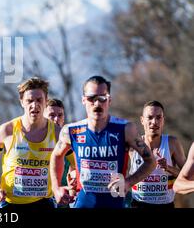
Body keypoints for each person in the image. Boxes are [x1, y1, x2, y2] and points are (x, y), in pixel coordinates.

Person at [50, 75, 156, 208]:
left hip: (113, 203)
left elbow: (151, 162)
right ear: (83, 100)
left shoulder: (125, 129)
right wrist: (56, 187)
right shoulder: (71, 131)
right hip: (84, 202)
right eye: (91, 98)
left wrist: (129, 182)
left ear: (109, 100)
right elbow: (56, 155)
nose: (97, 103)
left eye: (102, 98)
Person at [0, 77, 59, 209]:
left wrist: (70, 182)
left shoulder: (57, 132)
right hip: (10, 203)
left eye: (39, 100)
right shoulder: (7, 130)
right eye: (29, 101)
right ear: (22, 102)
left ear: (46, 101)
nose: (34, 105)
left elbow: (75, 162)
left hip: (43, 202)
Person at [129, 101, 186, 208]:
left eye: (158, 117)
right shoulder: (133, 145)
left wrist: (168, 168)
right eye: (150, 117)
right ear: (142, 120)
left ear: (163, 120)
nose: (154, 122)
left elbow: (187, 176)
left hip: (165, 205)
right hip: (138, 204)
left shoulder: (172, 143)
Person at [45, 99, 76, 207]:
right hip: (39, 197)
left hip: (62, 197)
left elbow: (76, 166)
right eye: (51, 115)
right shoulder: (34, 139)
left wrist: (72, 190)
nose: (56, 119)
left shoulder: (69, 140)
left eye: (60, 115)